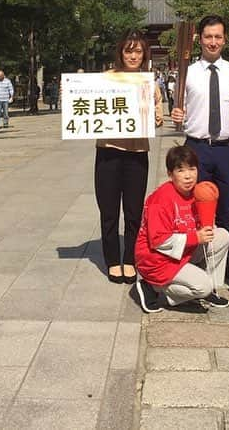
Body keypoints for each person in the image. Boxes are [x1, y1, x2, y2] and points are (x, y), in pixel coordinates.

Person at [170, 15, 229, 286]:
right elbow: (179, 108)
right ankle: (198, 260)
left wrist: (224, 124)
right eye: (208, 37)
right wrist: (178, 114)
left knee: (226, 207)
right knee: (197, 208)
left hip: (227, 149)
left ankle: (224, 263)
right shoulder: (187, 72)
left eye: (218, 37)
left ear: (225, 39)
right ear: (199, 39)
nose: (213, 42)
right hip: (197, 148)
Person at [95, 30, 163, 283]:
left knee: (134, 211)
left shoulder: (149, 82)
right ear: (120, 52)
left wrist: (154, 116)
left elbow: (157, 116)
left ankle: (130, 259)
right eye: (128, 50)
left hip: (137, 154)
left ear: (144, 54)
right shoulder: (106, 79)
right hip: (107, 153)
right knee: (109, 209)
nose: (133, 56)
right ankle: (113, 259)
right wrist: (69, 92)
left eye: (138, 51)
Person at [134, 145, 229, 313]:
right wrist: (196, 238)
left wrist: (206, 228)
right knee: (202, 286)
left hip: (182, 251)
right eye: (181, 170)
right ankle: (152, 286)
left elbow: (200, 226)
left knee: (222, 236)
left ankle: (209, 289)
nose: (188, 176)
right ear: (170, 174)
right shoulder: (161, 199)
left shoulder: (197, 193)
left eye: (192, 169)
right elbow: (158, 241)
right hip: (157, 259)